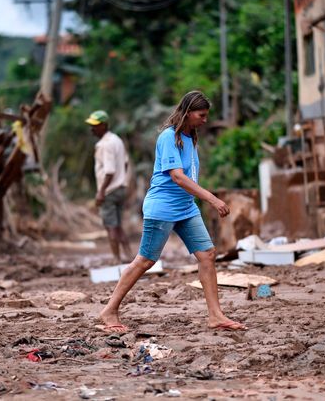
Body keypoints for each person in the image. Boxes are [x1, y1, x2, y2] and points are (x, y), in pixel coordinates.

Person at [98, 91, 246, 332]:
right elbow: (177, 177)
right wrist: (212, 198)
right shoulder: (168, 137)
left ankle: (216, 315)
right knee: (145, 260)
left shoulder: (190, 138)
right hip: (163, 206)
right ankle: (109, 310)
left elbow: (189, 176)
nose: (205, 120)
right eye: (202, 115)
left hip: (186, 208)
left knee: (207, 254)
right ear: (187, 113)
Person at [85, 110, 132, 263]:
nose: (92, 129)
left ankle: (116, 259)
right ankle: (129, 256)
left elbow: (109, 171)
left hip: (110, 191)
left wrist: (101, 192)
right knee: (118, 225)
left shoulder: (105, 144)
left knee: (110, 226)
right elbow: (125, 163)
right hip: (120, 188)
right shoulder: (117, 140)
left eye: (95, 125)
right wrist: (122, 179)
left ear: (104, 125)